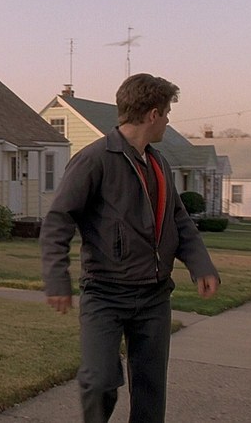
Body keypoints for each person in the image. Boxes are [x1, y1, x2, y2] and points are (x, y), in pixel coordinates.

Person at [40, 73, 219, 423]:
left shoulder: (158, 163)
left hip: (154, 296)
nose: (167, 121)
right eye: (166, 114)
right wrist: (57, 280)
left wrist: (201, 265)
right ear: (153, 114)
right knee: (99, 381)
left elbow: (179, 219)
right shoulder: (95, 160)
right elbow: (58, 220)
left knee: (150, 389)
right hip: (105, 293)